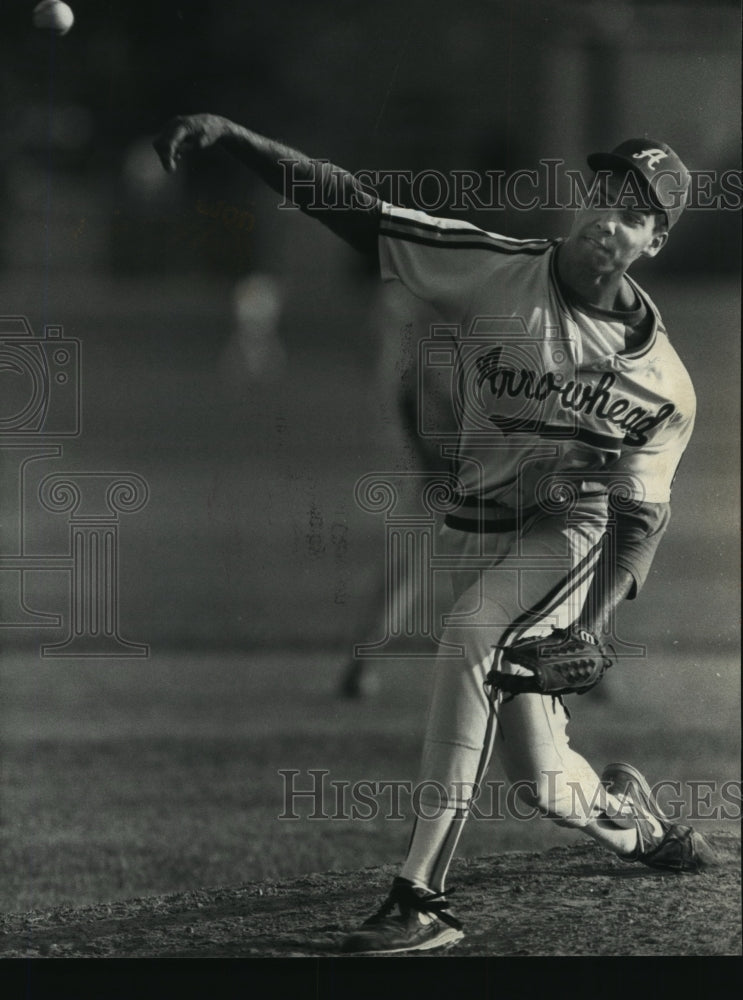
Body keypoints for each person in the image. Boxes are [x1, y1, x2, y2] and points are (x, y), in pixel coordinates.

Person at [154, 117, 716, 954]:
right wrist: (239, 141)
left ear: (654, 241)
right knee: (541, 787)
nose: (608, 217)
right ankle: (634, 825)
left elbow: (641, 515)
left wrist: (596, 626)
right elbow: (358, 212)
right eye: (604, 192)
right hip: (479, 529)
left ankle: (422, 900)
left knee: (469, 634)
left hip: (567, 530)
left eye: (634, 213)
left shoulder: (661, 381)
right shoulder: (494, 269)